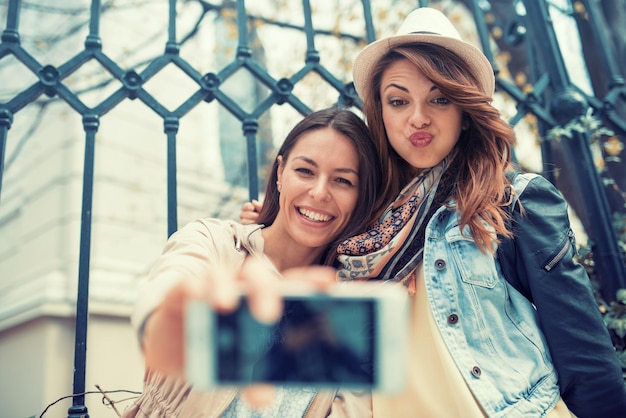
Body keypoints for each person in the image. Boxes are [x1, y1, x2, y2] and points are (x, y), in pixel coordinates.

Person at [240, 7, 626, 418]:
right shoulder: (360, 227)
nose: (417, 117)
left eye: (439, 99)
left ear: (464, 111)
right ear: (380, 113)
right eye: (398, 100)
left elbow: (583, 354)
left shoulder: (510, 202)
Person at [121, 107, 381, 418]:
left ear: (361, 195)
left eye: (342, 181)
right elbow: (169, 286)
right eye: (305, 171)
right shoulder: (214, 242)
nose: (319, 192)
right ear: (280, 173)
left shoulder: (350, 306)